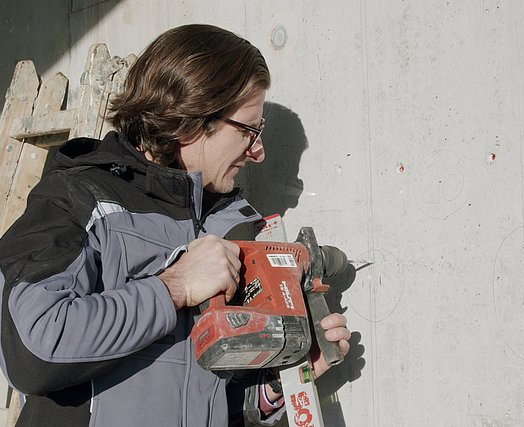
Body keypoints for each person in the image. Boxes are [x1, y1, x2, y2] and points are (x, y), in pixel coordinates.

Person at [0, 24, 350, 426]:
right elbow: (32, 353)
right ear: (190, 120)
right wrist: (174, 287)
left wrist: (272, 386)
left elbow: (196, 393)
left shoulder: (223, 226)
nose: (258, 151)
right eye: (250, 130)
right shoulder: (74, 201)